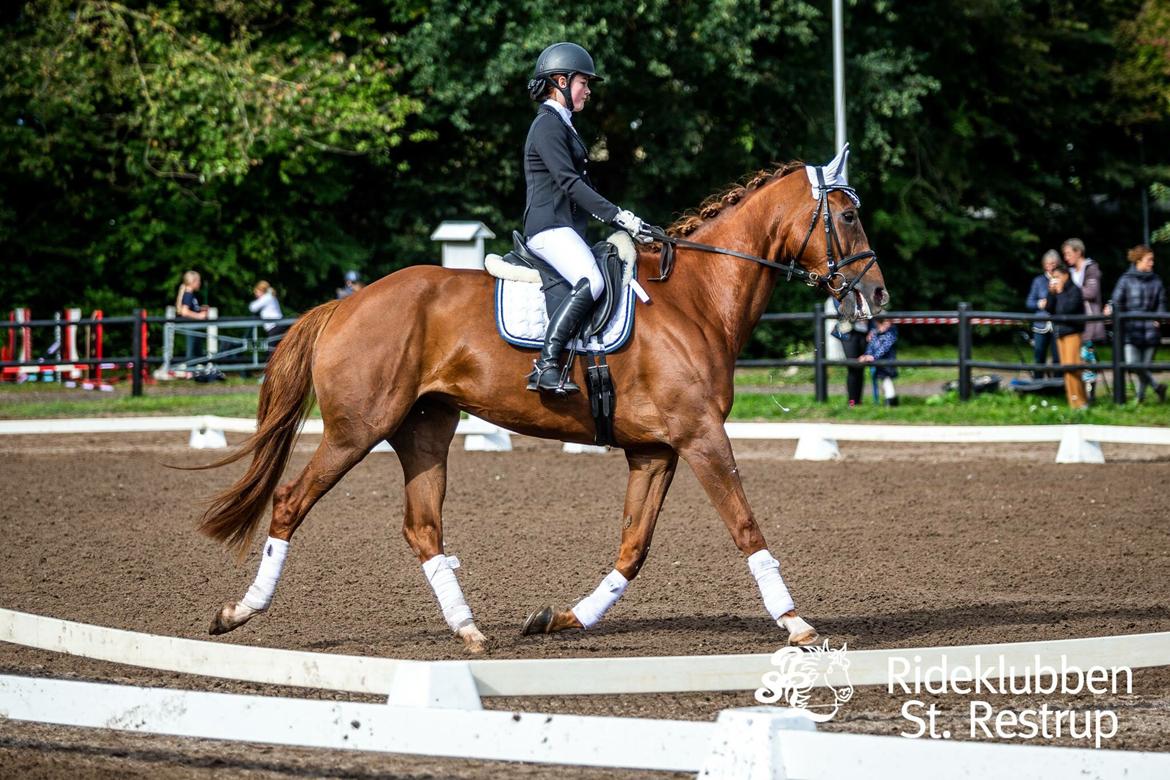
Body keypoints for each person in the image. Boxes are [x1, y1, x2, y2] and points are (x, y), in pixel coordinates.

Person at [521, 42, 648, 394]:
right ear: (560, 81)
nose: (588, 92)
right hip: (548, 228)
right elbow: (569, 182)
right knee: (592, 280)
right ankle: (546, 364)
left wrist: (628, 220)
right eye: (584, 83)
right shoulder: (547, 125)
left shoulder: (562, 124)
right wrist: (618, 216)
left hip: (563, 227)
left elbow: (583, 185)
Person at [1107, 245, 1167, 403]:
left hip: (1150, 331)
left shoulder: (1157, 281)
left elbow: (1162, 303)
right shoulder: (1125, 280)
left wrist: (1158, 319)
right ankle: (1157, 387)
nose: (1152, 263)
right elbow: (1117, 301)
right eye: (1149, 260)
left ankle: (1139, 399)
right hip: (1130, 330)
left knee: (1144, 367)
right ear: (1139, 260)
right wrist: (1111, 308)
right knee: (1132, 364)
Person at [1062, 238, 1104, 398]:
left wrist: (1070, 294)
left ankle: (1089, 392)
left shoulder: (1091, 269)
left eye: (1068, 253)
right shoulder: (1070, 271)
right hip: (1074, 320)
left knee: (1087, 355)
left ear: (1078, 252)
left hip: (1088, 320)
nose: (1066, 258)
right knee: (1076, 357)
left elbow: (1091, 293)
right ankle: (1078, 392)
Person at [1046, 262, 1087, 409]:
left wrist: (1061, 292)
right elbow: (1049, 309)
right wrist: (1051, 293)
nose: (1055, 279)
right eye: (1053, 277)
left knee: (1073, 368)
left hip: (1072, 332)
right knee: (1066, 369)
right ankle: (1072, 402)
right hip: (1060, 333)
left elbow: (1066, 310)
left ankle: (1081, 402)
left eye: (1057, 277)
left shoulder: (1074, 290)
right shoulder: (1058, 290)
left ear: (1065, 276)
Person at [1025, 250, 1061, 378]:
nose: (1050, 267)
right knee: (1039, 356)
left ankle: (1058, 385)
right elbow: (1029, 303)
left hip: (1058, 325)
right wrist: (1039, 304)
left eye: (1053, 264)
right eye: (1047, 264)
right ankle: (1038, 384)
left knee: (1058, 358)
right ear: (1044, 265)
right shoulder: (1038, 281)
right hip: (1041, 325)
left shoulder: (1063, 279)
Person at [832, 299, 868, 406]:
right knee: (852, 367)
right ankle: (852, 401)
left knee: (861, 367)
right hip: (847, 332)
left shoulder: (863, 290)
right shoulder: (839, 291)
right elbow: (841, 310)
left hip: (863, 331)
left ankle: (859, 401)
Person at [859, 316, 899, 406]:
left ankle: (890, 400)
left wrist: (873, 356)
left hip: (888, 360)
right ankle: (890, 399)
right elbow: (871, 345)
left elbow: (885, 347)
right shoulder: (874, 332)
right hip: (877, 361)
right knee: (883, 379)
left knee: (886, 378)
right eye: (884, 323)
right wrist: (867, 355)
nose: (887, 325)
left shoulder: (891, 332)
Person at [175, 270, 209, 361]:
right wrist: (200, 316)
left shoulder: (190, 295)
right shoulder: (188, 295)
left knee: (197, 354)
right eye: (198, 281)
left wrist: (199, 309)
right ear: (193, 282)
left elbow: (189, 309)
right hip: (190, 327)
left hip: (193, 327)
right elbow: (184, 312)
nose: (199, 283)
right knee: (191, 355)